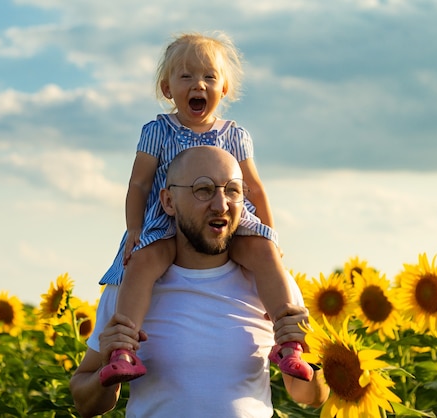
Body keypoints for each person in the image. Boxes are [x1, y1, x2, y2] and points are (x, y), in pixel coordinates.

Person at [98, 31, 312, 386]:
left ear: (224, 88)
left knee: (263, 254)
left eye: (209, 76)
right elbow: (138, 184)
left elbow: (254, 187)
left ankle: (288, 340)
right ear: (168, 89)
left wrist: (270, 236)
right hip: (169, 220)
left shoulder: (235, 135)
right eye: (186, 76)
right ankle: (124, 348)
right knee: (142, 263)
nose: (199, 84)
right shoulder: (157, 131)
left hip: (230, 219)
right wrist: (133, 229)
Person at [70, 146, 329, 417]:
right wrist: (105, 371)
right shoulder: (130, 290)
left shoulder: (274, 287)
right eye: (203, 190)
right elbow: (85, 404)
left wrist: (311, 358)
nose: (221, 204)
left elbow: (309, 396)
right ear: (169, 202)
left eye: (232, 190)